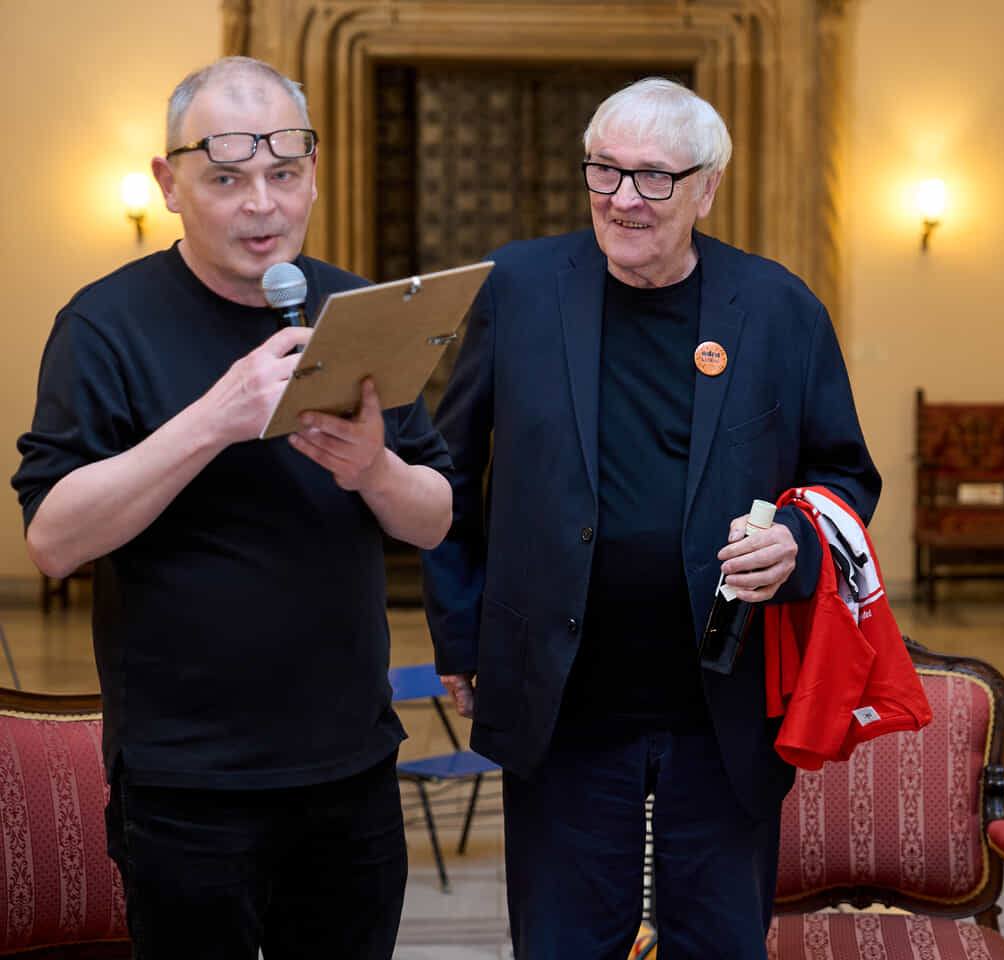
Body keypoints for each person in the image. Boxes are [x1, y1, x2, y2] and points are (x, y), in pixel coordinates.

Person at [422, 76, 880, 958]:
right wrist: (460, 632)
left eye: (654, 178)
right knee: (563, 943)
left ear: (708, 188)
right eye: (605, 170)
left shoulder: (778, 308)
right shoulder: (519, 286)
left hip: (724, 698)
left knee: (719, 940)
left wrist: (795, 542)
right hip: (563, 697)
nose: (623, 198)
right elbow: (448, 469)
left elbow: (844, 473)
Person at [11, 56, 452, 958]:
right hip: (187, 782)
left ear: (313, 176)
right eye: (226, 180)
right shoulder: (104, 326)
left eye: (284, 175)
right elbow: (53, 541)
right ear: (168, 184)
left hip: (352, 767)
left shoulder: (357, 309)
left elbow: (436, 516)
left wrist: (374, 469)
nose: (263, 205)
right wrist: (215, 419)